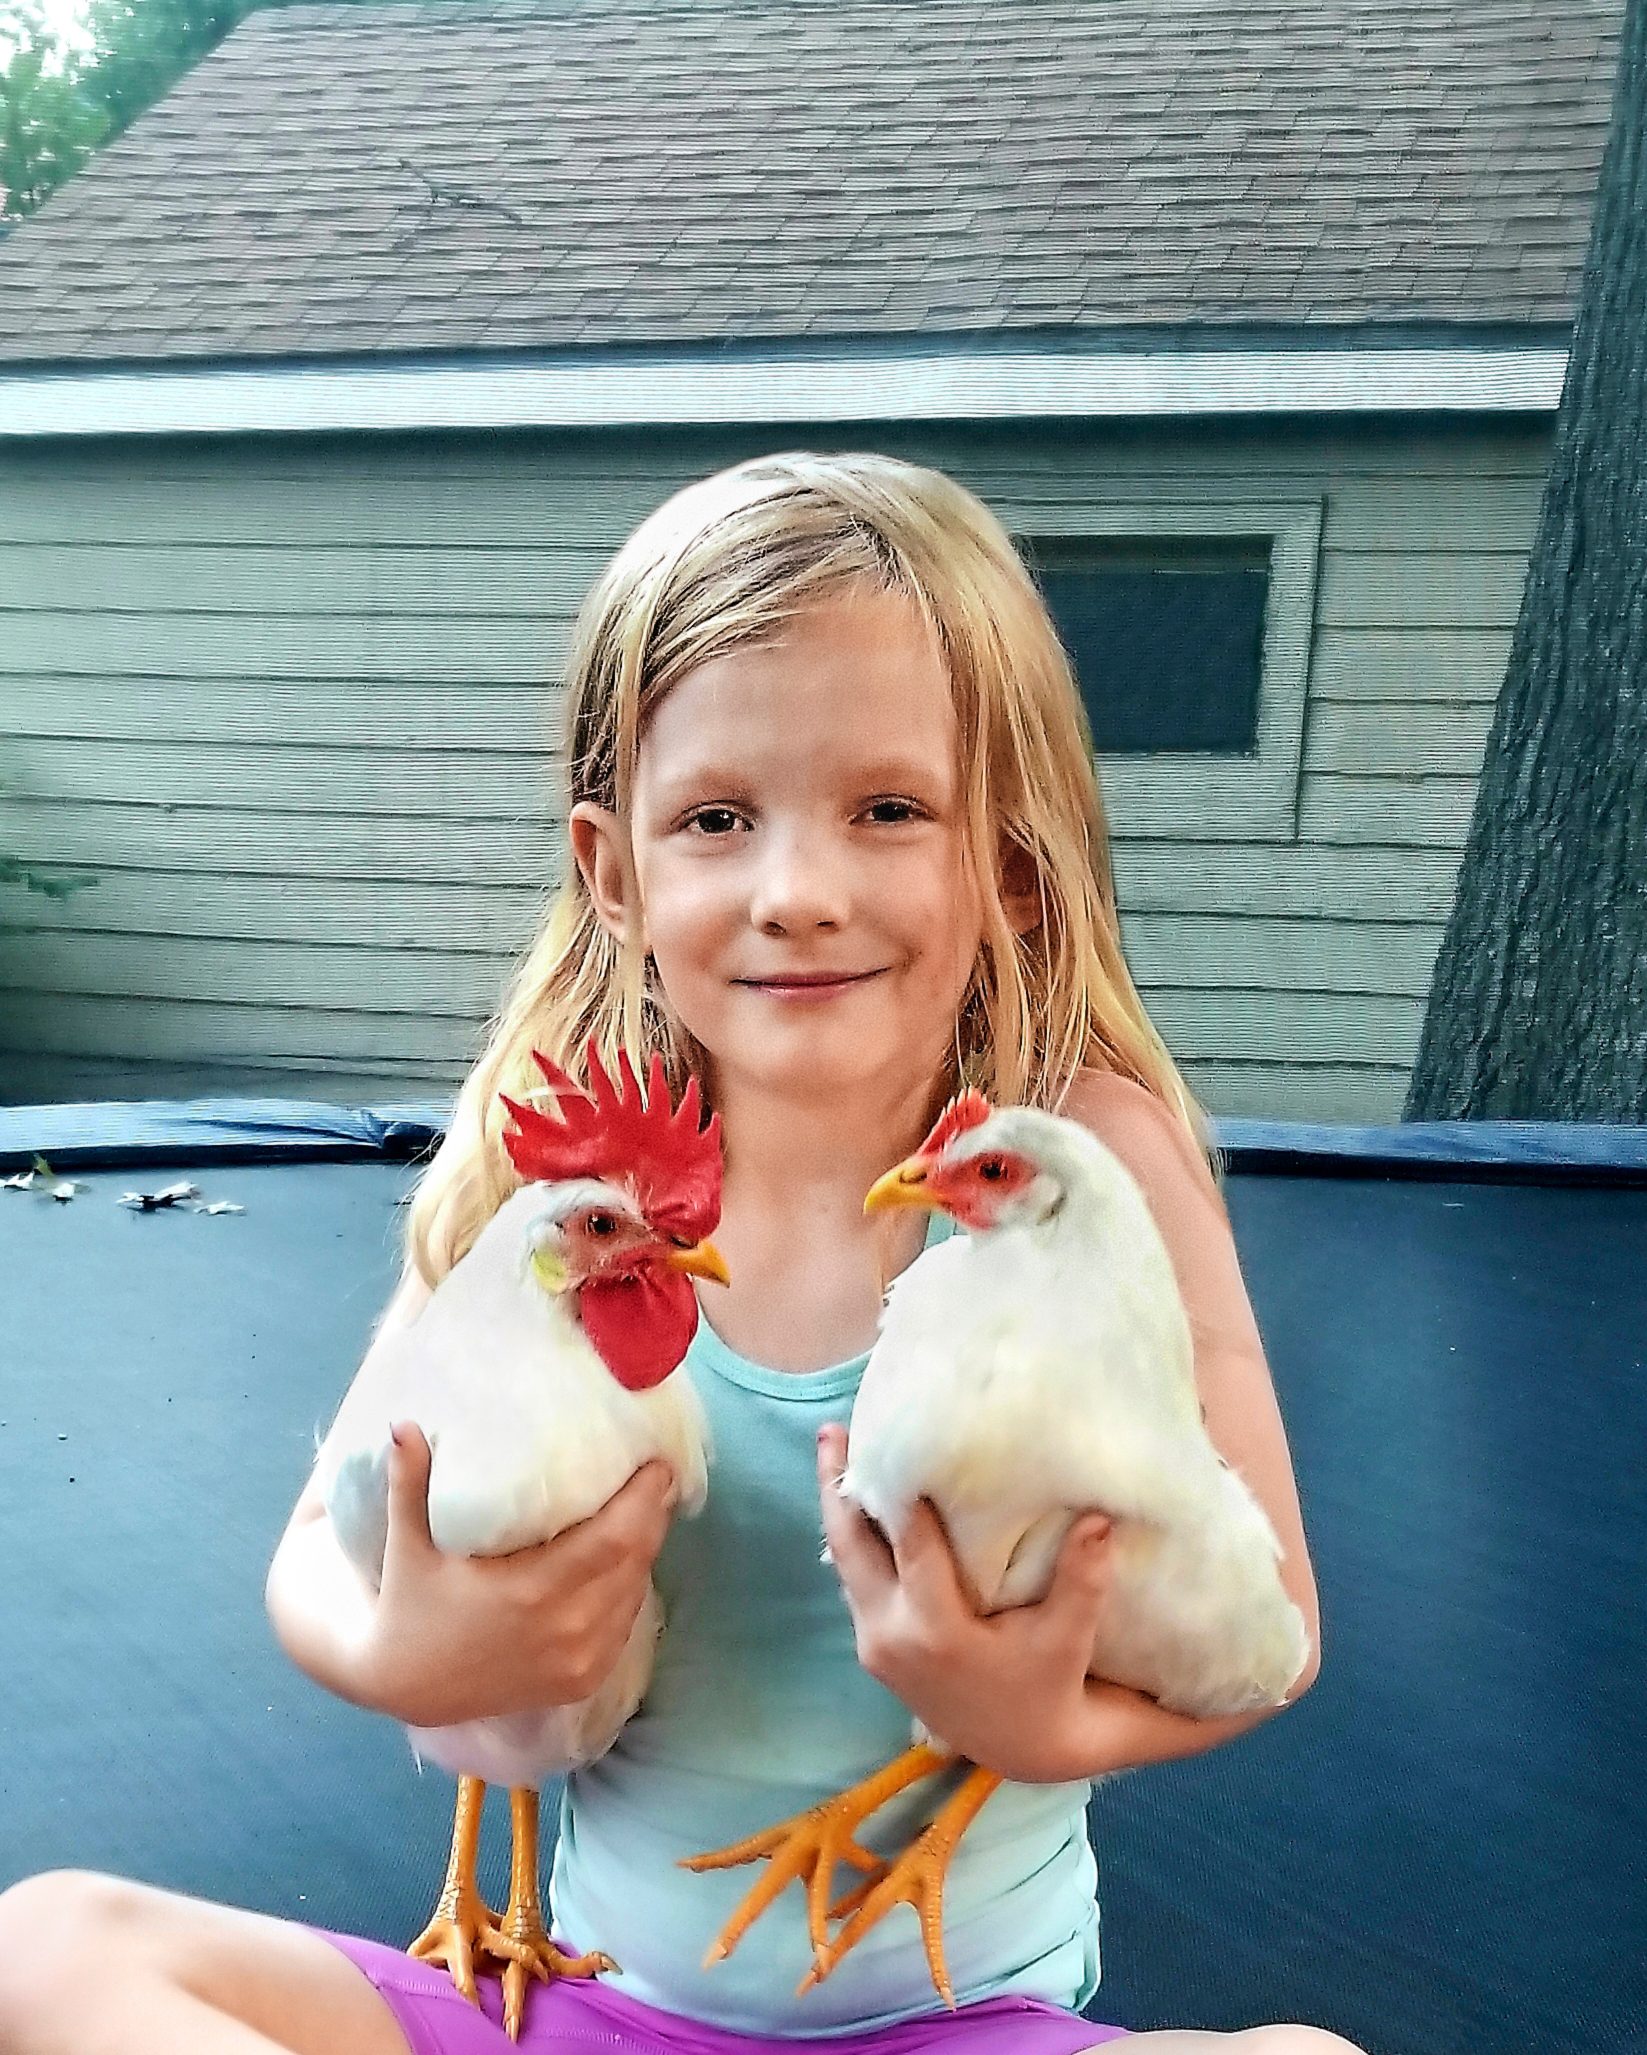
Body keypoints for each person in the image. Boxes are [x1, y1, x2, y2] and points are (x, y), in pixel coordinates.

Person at [0, 452, 1366, 2055]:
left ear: (1005, 862)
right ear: (615, 869)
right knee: (46, 1947)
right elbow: (318, 1540)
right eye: (719, 818)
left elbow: (1272, 1628)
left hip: (958, 2023)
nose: (798, 892)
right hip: (579, 2006)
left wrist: (1037, 1724)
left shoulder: (1078, 1170)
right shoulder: (554, 1179)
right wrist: (399, 1647)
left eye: (887, 810)